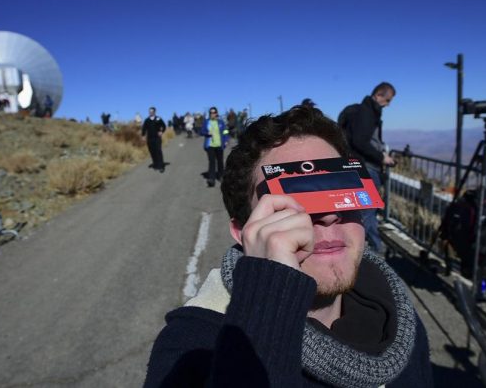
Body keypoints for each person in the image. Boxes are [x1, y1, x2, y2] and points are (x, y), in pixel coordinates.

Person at [144, 105, 432, 387]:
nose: (330, 215)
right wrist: (269, 294)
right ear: (241, 231)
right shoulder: (192, 347)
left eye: (339, 187)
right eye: (293, 199)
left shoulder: (399, 318)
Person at [340, 82, 396, 254]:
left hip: (356, 165)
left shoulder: (362, 111)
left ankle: (362, 244)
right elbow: (360, 141)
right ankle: (375, 248)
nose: (388, 104)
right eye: (387, 100)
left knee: (362, 208)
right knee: (368, 209)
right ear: (378, 96)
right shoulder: (366, 113)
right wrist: (381, 157)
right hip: (366, 167)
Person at [200, 107, 229, 187]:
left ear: (216, 113)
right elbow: (201, 132)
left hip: (219, 145)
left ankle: (221, 176)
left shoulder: (221, 122)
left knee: (220, 162)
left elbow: (225, 131)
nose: (212, 114)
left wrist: (226, 140)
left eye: (214, 112)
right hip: (210, 145)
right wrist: (207, 132)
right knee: (212, 162)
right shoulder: (206, 122)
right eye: (211, 112)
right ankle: (211, 179)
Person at [142, 106, 167, 173]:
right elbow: (144, 128)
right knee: (152, 152)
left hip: (157, 138)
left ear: (154, 112)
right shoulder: (147, 120)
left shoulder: (158, 119)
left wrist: (161, 131)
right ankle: (155, 165)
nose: (150, 113)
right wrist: (143, 136)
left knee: (158, 151)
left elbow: (164, 126)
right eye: (149, 111)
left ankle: (161, 166)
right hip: (150, 139)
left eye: (152, 111)